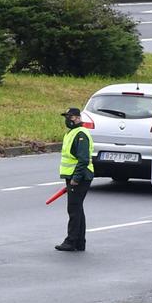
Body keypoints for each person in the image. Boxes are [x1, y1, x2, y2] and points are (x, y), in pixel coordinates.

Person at [56, 106, 92, 252]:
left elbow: (83, 159)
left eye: (70, 117)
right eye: (66, 117)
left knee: (73, 209)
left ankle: (71, 241)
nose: (67, 120)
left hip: (80, 176)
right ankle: (79, 242)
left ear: (77, 118)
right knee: (78, 209)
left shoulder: (81, 134)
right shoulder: (72, 133)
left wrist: (76, 178)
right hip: (74, 175)